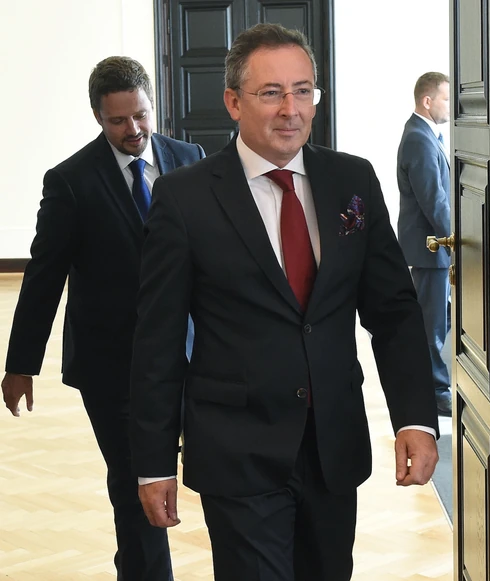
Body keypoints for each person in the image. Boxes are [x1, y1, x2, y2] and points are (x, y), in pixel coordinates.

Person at [129, 23, 440, 581]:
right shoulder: (184, 197)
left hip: (333, 445)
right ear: (233, 102)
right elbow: (159, 339)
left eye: (302, 91)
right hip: (237, 450)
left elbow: (393, 310)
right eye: (271, 93)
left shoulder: (352, 180)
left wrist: (415, 417)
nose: (290, 109)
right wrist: (154, 463)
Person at [1, 56, 204, 579]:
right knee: (136, 488)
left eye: (141, 115)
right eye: (118, 120)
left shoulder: (191, 160)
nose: (133, 129)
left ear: (153, 105)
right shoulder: (71, 181)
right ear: (97, 116)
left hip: (193, 357)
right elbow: (44, 277)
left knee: (213, 473)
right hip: (113, 367)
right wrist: (20, 364)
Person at [396, 72, 452, 416]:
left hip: (435, 249)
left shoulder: (426, 134)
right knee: (432, 325)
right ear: (427, 101)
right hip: (431, 247)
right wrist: (457, 240)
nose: (450, 105)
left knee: (439, 320)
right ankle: (435, 391)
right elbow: (434, 200)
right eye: (445, 98)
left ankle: (434, 384)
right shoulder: (419, 138)